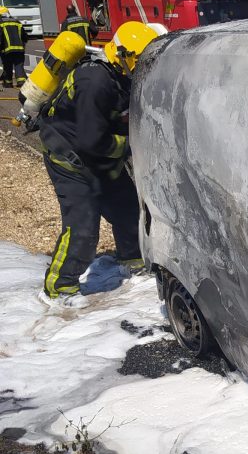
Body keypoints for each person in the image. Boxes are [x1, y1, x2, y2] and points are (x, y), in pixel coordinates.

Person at [38, 21, 164, 304]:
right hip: (70, 158)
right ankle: (59, 286)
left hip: (96, 154)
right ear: (122, 55)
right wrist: (130, 145)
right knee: (83, 227)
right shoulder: (95, 83)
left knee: (126, 206)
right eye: (139, 61)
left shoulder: (120, 76)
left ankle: (132, 260)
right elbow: (91, 142)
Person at [0, 5, 28, 88]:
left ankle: (8, 83)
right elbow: (25, 37)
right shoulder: (17, 22)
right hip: (19, 49)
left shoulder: (1, 23)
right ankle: (21, 82)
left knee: (7, 65)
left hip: (6, 49)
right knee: (19, 65)